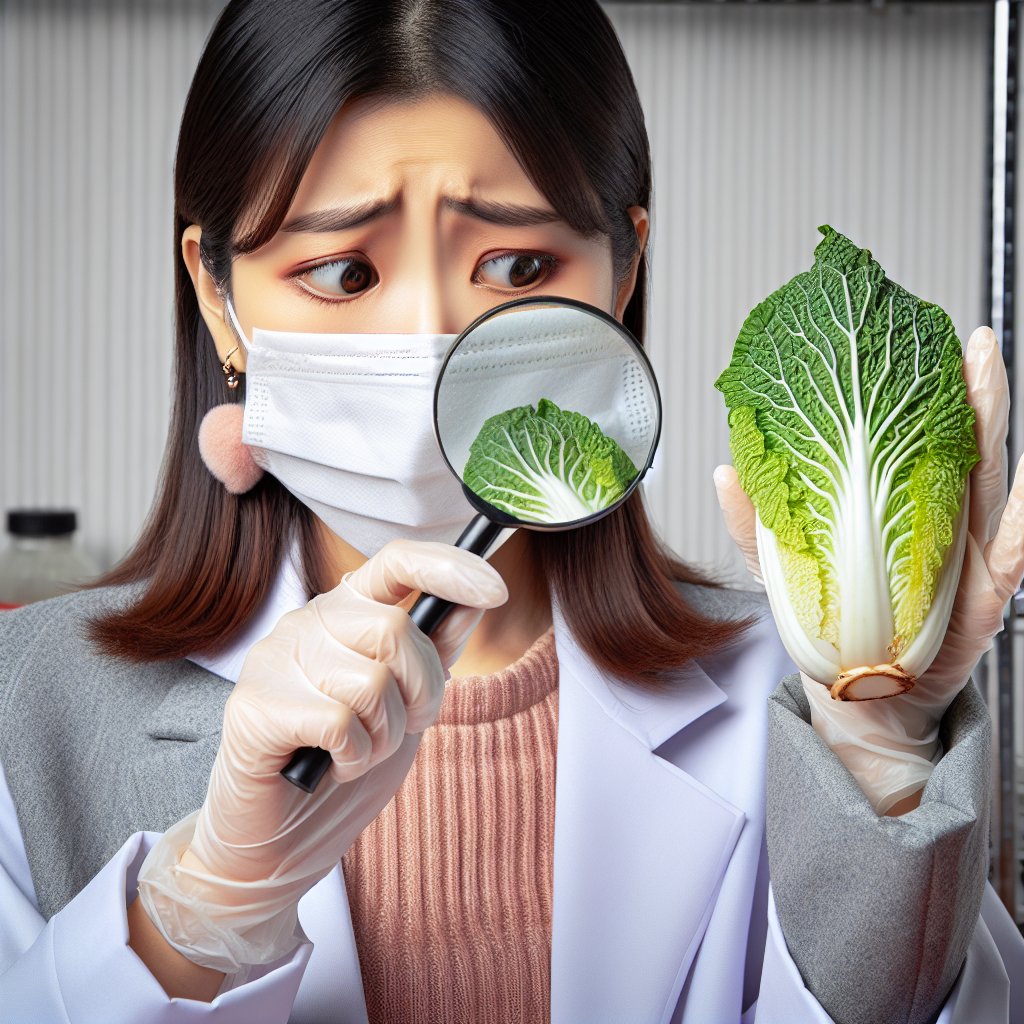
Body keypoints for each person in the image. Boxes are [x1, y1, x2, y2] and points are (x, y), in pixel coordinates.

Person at [1, 0, 1023, 1021]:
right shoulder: (28, 704)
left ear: (622, 274)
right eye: (341, 272)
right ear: (219, 298)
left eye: (518, 268)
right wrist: (198, 909)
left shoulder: (794, 699)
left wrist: (878, 770)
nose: (433, 338)